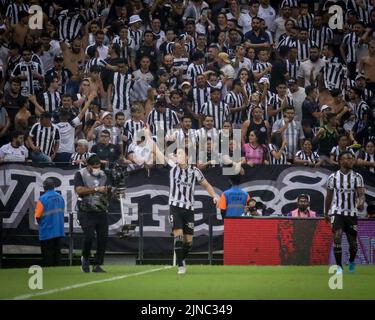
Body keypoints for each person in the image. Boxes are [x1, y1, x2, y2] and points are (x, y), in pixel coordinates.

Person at [144, 124, 219, 275]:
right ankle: (180, 265)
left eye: (179, 153)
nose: (176, 155)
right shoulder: (172, 167)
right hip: (175, 206)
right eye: (175, 153)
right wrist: (147, 135)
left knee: (189, 243)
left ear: (186, 156)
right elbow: (156, 150)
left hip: (189, 208)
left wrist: (215, 196)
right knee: (178, 237)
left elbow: (206, 185)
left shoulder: (194, 171)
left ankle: (182, 259)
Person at [325, 151, 365, 274]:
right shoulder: (333, 177)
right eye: (347, 158)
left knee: (353, 244)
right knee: (337, 236)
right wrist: (326, 212)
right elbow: (329, 196)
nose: (351, 160)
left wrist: (361, 202)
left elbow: (361, 194)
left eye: (351, 158)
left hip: (351, 214)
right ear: (340, 161)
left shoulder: (357, 177)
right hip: (337, 212)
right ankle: (339, 267)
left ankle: (352, 261)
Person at [74, 154, 110, 273]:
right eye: (94, 167)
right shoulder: (80, 173)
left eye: (99, 166)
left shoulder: (104, 174)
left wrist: (112, 192)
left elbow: (107, 189)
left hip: (101, 209)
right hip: (86, 210)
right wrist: (95, 189)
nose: (97, 169)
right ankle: (85, 258)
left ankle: (97, 264)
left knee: (103, 238)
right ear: (88, 166)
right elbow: (78, 190)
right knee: (89, 236)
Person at [34, 178, 65, 267]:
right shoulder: (60, 197)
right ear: (54, 186)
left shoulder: (42, 198)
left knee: (47, 256)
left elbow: (37, 216)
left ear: (44, 187)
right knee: (57, 254)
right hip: (59, 231)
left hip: (47, 232)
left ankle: (49, 272)